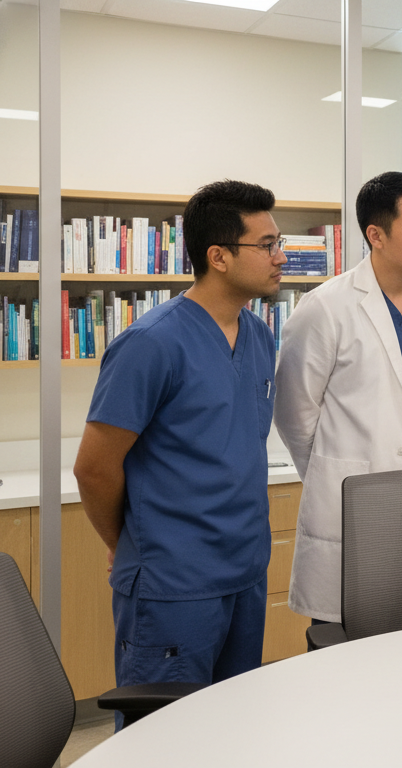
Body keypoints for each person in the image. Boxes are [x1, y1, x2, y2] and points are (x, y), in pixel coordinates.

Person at [73, 180, 285, 724]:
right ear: (218, 256)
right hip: (174, 585)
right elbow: (94, 467)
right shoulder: (152, 343)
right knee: (164, 738)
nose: (280, 257)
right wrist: (128, 546)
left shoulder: (260, 337)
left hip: (244, 571)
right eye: (266, 245)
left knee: (232, 728)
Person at [274, 171, 402, 624]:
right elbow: (294, 413)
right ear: (375, 235)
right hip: (357, 501)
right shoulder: (324, 307)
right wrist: (333, 472)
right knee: (346, 641)